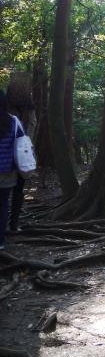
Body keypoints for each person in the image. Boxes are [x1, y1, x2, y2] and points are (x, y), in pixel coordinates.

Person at [7, 86, 36, 232]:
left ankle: (7, 224)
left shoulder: (6, 111)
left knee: (5, 194)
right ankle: (13, 224)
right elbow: (31, 132)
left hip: (6, 160)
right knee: (18, 192)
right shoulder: (29, 112)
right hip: (22, 159)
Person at [0, 90, 24, 250]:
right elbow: (22, 142)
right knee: (2, 204)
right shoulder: (13, 122)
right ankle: (0, 241)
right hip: (7, 171)